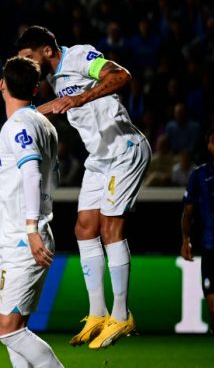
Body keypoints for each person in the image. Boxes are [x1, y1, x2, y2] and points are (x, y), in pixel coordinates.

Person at [17, 25, 151, 349]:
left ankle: (121, 315)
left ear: (47, 51)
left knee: (110, 229)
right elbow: (55, 108)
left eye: (29, 58)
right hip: (99, 159)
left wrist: (81, 96)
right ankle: (97, 312)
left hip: (125, 149)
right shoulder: (50, 81)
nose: (28, 66)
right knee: (84, 229)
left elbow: (121, 75)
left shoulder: (78, 56)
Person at [0, 56, 62, 367]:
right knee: (5, 322)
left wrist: (31, 229)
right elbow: (33, 168)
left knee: (10, 331)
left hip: (24, 239)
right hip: (13, 236)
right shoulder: (41, 122)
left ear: (1, 85)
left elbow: (33, 172)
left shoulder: (18, 125)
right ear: (37, 89)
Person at [180, 124, 214, 346]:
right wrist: (186, 240)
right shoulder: (199, 175)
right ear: (207, 145)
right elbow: (188, 213)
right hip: (211, 250)